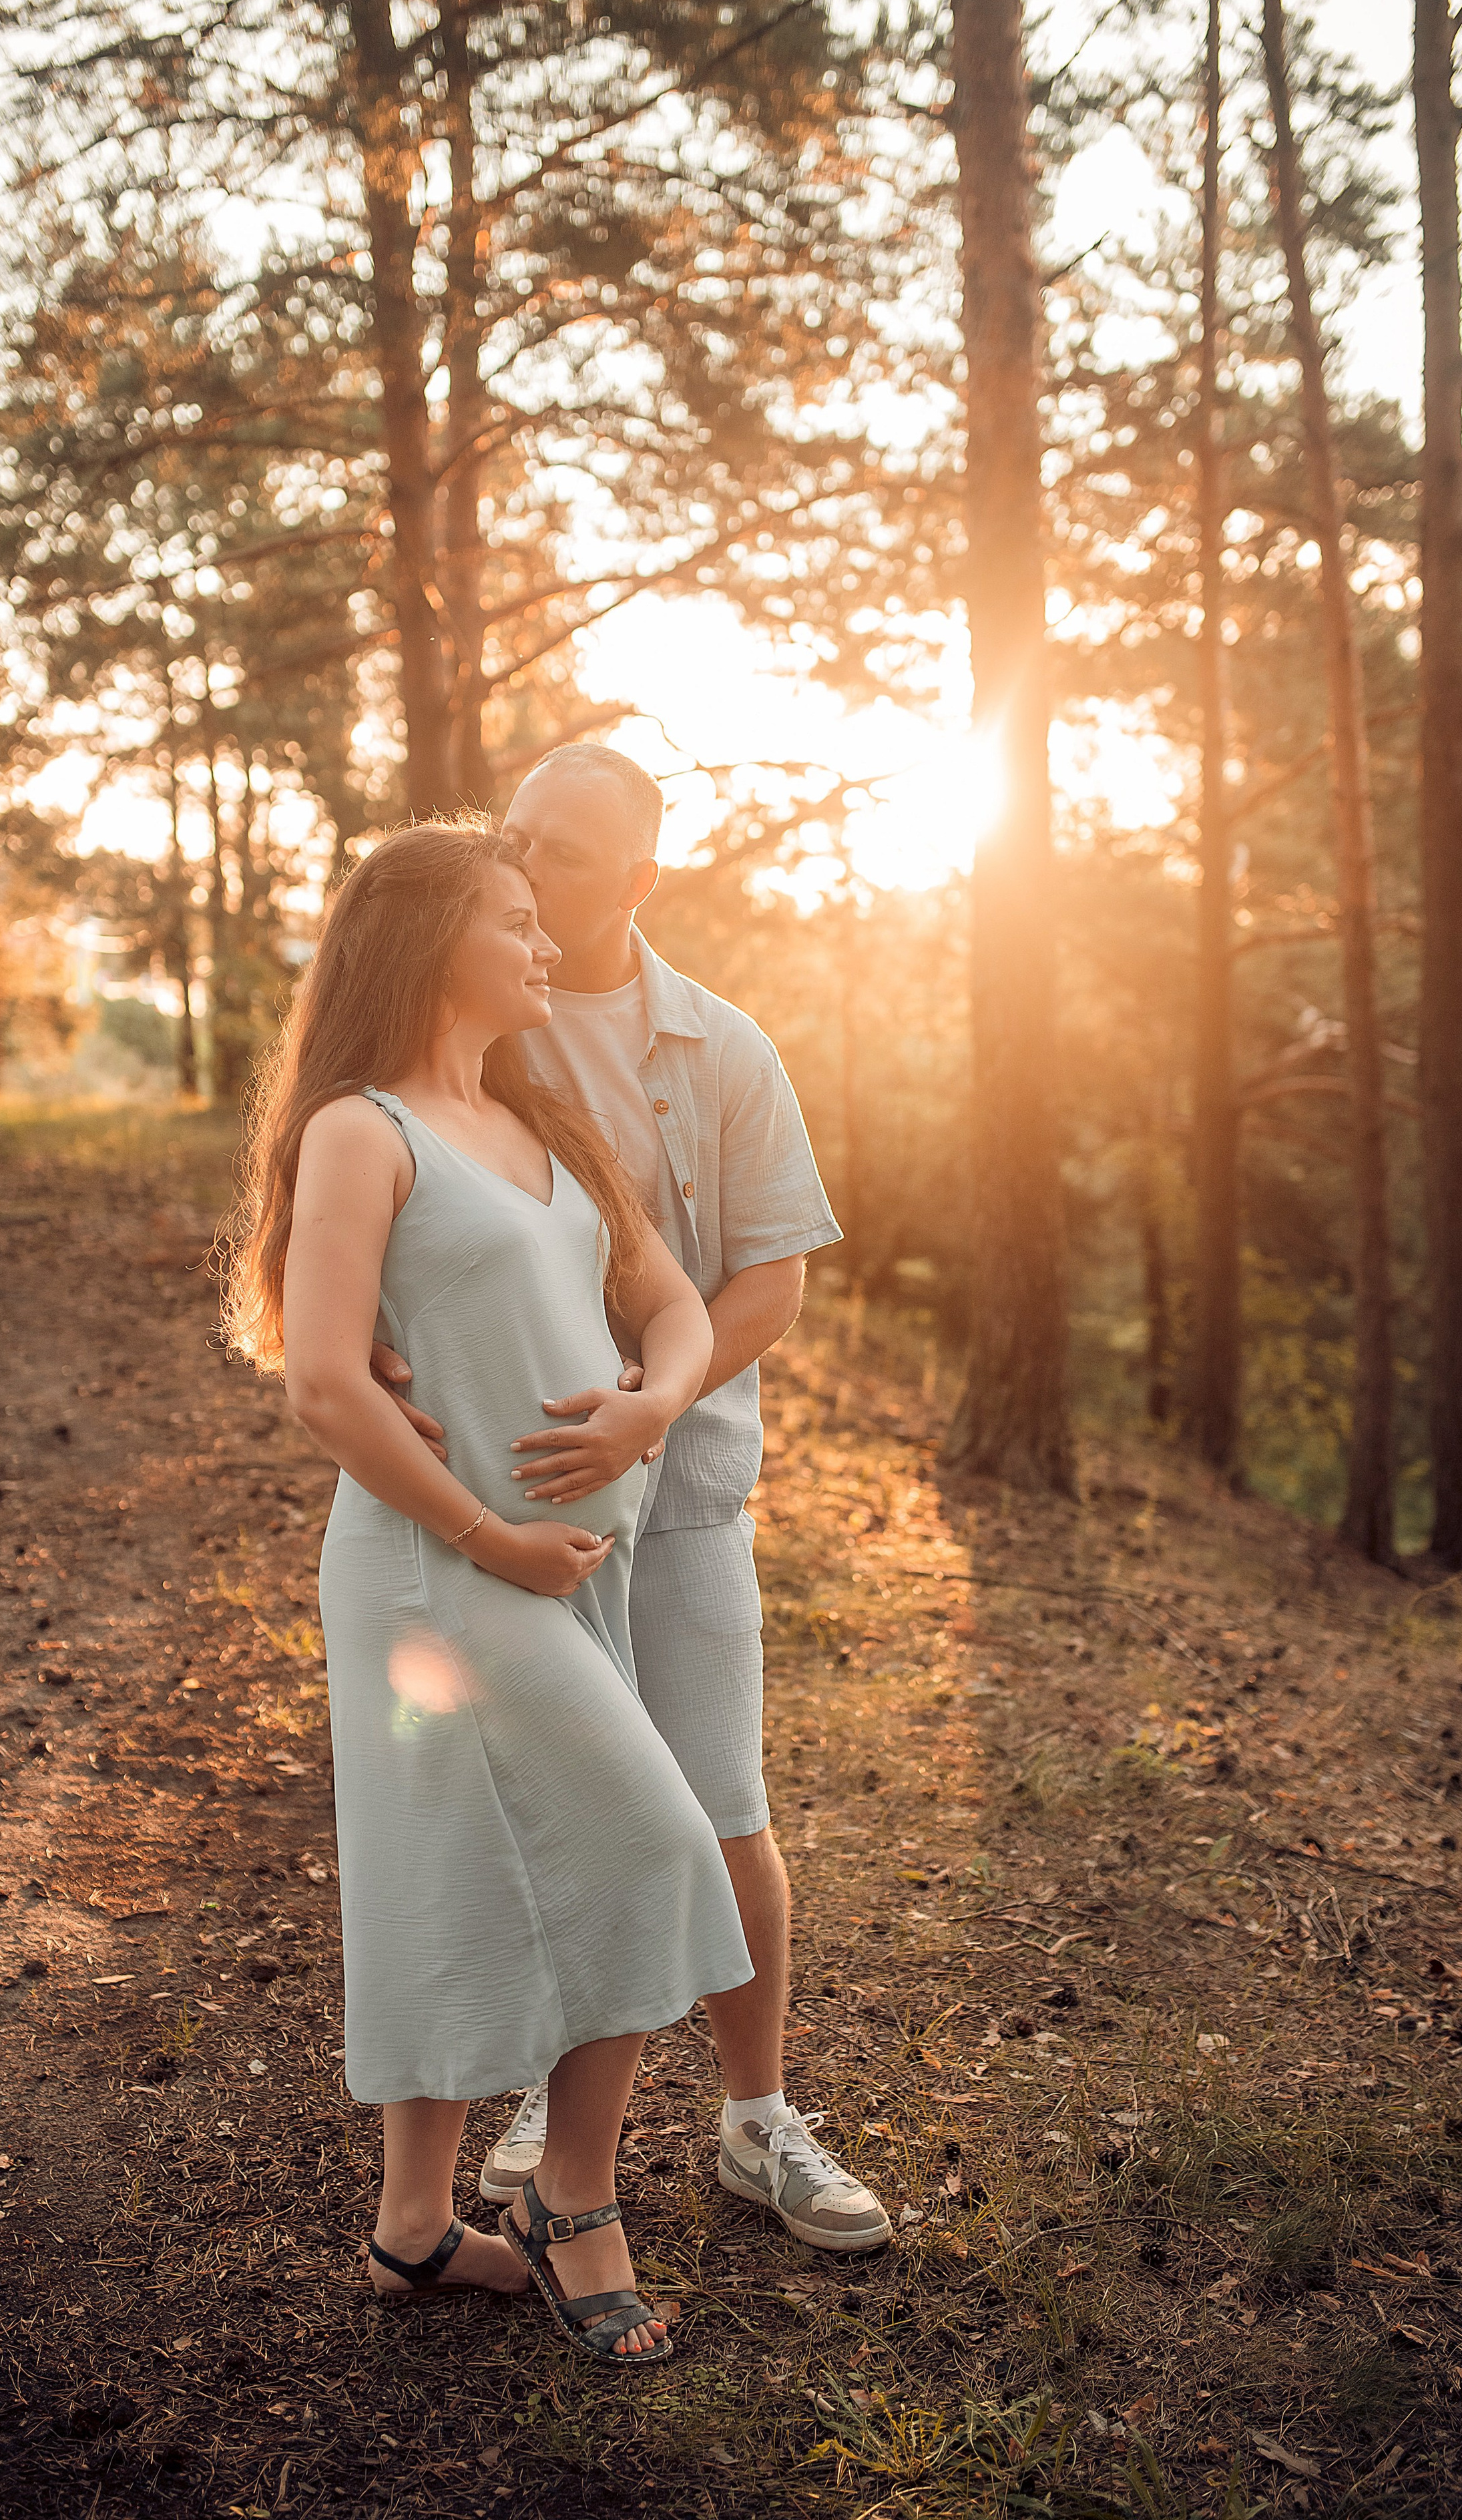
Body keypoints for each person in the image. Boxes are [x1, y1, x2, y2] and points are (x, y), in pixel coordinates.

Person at [226, 819, 753, 2366]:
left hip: (561, 1569)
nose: (544, 944)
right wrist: (489, 1535)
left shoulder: (543, 1120)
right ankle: (574, 2201)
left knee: (454, 1874)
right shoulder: (361, 1130)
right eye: (513, 921)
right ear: (426, 942)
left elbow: (672, 1307)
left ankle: (410, 2227)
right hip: (440, 1574)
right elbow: (327, 1382)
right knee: (656, 1846)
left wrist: (651, 1406)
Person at [374, 743, 892, 2254]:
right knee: (542, 1804)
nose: (531, 868)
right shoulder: (470, 1024)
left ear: (640, 881)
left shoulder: (721, 1049)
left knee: (716, 1802)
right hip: (506, 1493)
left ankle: (754, 2116)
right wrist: (380, 1350)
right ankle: (557, 2102)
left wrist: (650, 1411)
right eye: (517, 836)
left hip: (683, 1492)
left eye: (569, 852)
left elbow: (770, 1279)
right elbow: (377, 1199)